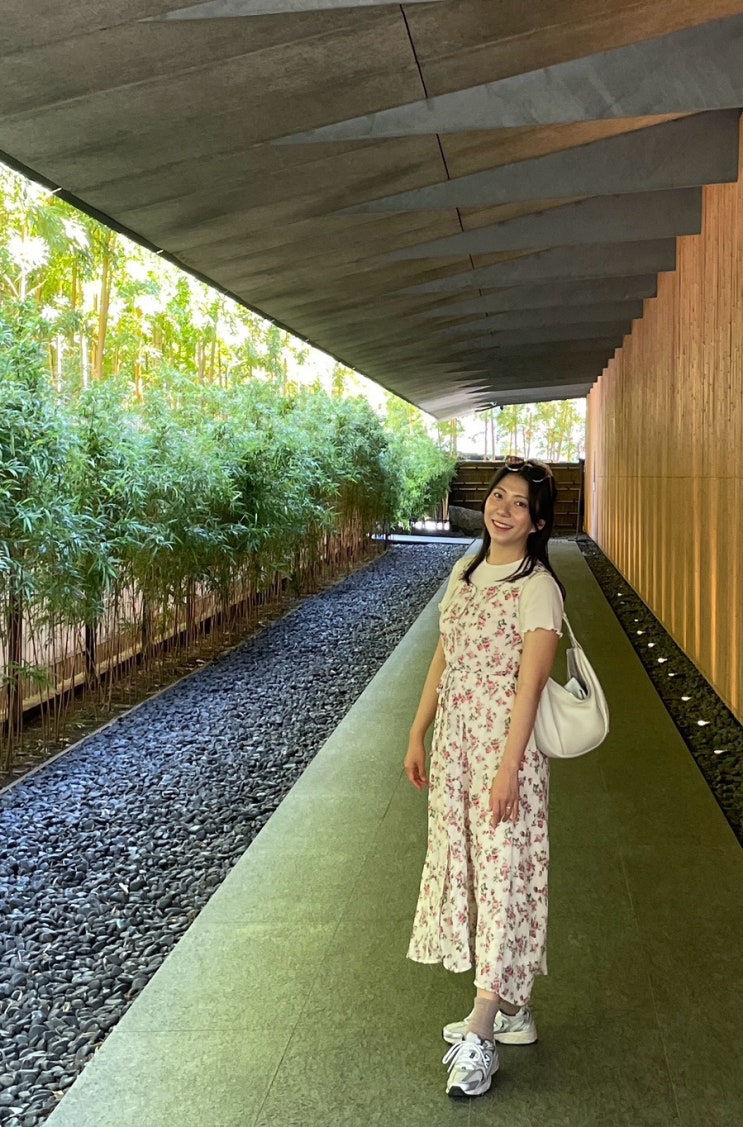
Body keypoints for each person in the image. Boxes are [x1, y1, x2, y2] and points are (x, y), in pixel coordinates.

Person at [404, 458, 565, 1099]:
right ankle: (512, 1010)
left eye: (520, 504)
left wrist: (508, 770)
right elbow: (443, 655)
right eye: (499, 496)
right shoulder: (465, 571)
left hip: (505, 755)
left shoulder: (539, 587)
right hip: (455, 749)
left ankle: (482, 1029)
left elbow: (530, 687)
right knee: (473, 868)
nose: (504, 509)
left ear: (538, 523)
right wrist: (418, 731)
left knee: (504, 877)